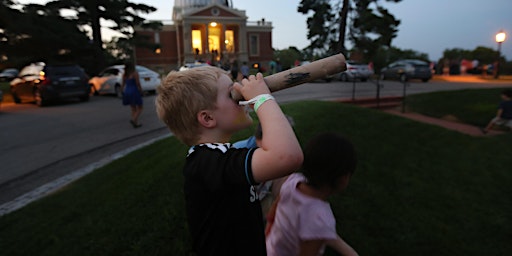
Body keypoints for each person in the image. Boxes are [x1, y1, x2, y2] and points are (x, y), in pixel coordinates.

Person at [155, 66, 303, 255]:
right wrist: (261, 99)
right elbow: (287, 156)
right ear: (208, 118)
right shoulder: (207, 163)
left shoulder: (218, 157)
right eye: (231, 94)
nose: (240, 94)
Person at [266, 132, 359, 256]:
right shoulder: (320, 218)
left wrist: (266, 233)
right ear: (342, 179)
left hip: (269, 247)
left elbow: (273, 212)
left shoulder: (293, 181)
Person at [121, 61, 143, 128]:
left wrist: (122, 92)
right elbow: (137, 83)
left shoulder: (124, 75)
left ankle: (135, 123)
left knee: (133, 108)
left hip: (127, 91)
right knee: (140, 107)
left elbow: (123, 84)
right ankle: (133, 120)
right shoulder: (134, 73)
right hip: (134, 90)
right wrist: (141, 91)